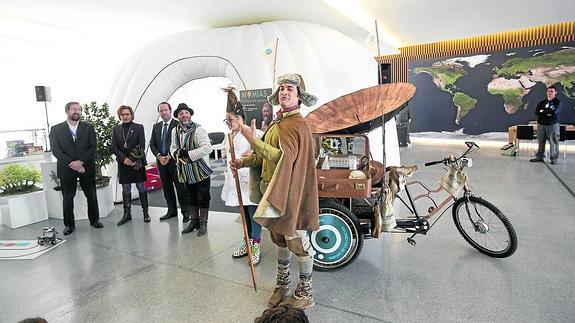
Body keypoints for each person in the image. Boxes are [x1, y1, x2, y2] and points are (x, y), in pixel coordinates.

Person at [230, 73, 319, 309]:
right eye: (281, 89)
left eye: (290, 88)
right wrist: (243, 163)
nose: (284, 92)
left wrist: (251, 138)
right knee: (279, 239)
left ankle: (306, 291)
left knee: (297, 242)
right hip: (273, 193)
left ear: (299, 97)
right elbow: (263, 156)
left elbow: (283, 159)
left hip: (291, 195)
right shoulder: (278, 124)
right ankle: (283, 284)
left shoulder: (297, 124)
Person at [221, 87, 264, 265]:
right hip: (236, 180)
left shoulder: (255, 133)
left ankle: (256, 245)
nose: (228, 123)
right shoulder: (231, 135)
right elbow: (226, 151)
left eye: (229, 119)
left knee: (253, 212)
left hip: (250, 182)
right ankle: (247, 242)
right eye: (226, 120)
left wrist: (253, 152)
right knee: (244, 212)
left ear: (239, 118)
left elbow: (263, 154)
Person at [49, 102, 102, 235]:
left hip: (86, 168)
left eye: (79, 109)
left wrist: (81, 162)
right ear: (67, 111)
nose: (77, 111)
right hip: (67, 169)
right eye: (74, 109)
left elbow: (92, 147)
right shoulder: (56, 129)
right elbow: (56, 151)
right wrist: (74, 164)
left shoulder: (88, 128)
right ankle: (69, 225)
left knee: (92, 196)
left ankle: (95, 220)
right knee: (67, 199)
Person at [170, 103, 213, 236]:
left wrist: (188, 154)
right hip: (186, 170)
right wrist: (177, 153)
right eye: (181, 113)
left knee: (203, 196)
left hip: (200, 169)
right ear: (177, 116)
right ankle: (194, 222)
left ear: (190, 115)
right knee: (191, 197)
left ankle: (203, 222)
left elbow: (207, 148)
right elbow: (172, 147)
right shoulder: (174, 131)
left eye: (186, 113)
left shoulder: (198, 130)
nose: (184, 115)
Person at [149, 102, 190, 222]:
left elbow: (181, 143)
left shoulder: (178, 124)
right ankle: (171, 211)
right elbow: (152, 144)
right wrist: (159, 156)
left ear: (170, 111)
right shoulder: (156, 127)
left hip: (175, 161)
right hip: (161, 162)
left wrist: (169, 156)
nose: (163, 112)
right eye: (161, 111)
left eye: (165, 110)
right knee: (167, 188)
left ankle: (186, 212)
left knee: (180, 188)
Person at [112, 105, 150, 225]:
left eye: (127, 114)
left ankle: (145, 212)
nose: (125, 116)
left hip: (137, 162)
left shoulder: (139, 127)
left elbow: (141, 145)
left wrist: (132, 159)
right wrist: (124, 159)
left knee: (141, 187)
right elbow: (114, 147)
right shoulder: (116, 129)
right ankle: (127, 214)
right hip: (123, 164)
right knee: (126, 189)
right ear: (120, 116)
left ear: (131, 115)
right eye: (122, 114)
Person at [530, 85, 562, 165]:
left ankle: (554, 158)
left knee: (553, 142)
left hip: (552, 124)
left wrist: (543, 111)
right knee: (541, 141)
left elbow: (554, 112)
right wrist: (547, 112)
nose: (549, 93)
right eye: (548, 91)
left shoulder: (557, 102)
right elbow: (537, 112)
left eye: (551, 91)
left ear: (555, 92)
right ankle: (540, 156)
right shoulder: (542, 102)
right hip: (541, 124)